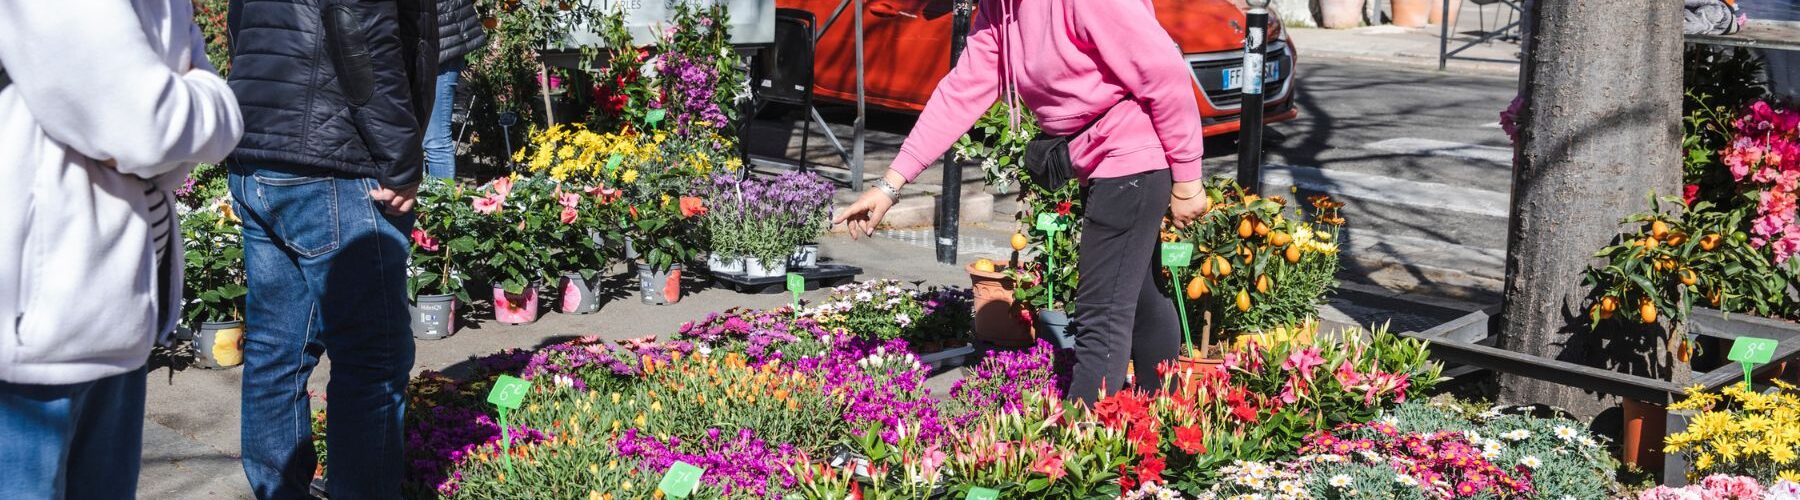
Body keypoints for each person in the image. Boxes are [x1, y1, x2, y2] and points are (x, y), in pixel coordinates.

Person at [834, 0, 1210, 404]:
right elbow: (960, 93)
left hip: (1132, 162)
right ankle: (1165, 423)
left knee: (1101, 316)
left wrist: (1187, 179)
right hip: (1101, 159)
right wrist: (890, 185)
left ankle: (1081, 446)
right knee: (1138, 298)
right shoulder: (1000, 9)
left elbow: (1164, 74)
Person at [0, 0, 243, 497]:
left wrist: (178, 117)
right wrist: (190, 103)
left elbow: (188, 131)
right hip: (35, 329)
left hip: (113, 308)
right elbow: (146, 127)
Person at [225, 0, 437, 497]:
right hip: (333, 161)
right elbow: (359, 29)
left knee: (276, 352)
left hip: (260, 146)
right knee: (372, 358)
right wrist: (399, 156)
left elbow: (241, 24)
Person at [425, 0, 489, 179]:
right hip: (416, 41)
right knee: (413, 137)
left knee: (434, 137)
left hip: (443, 39)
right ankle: (422, 201)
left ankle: (442, 203)